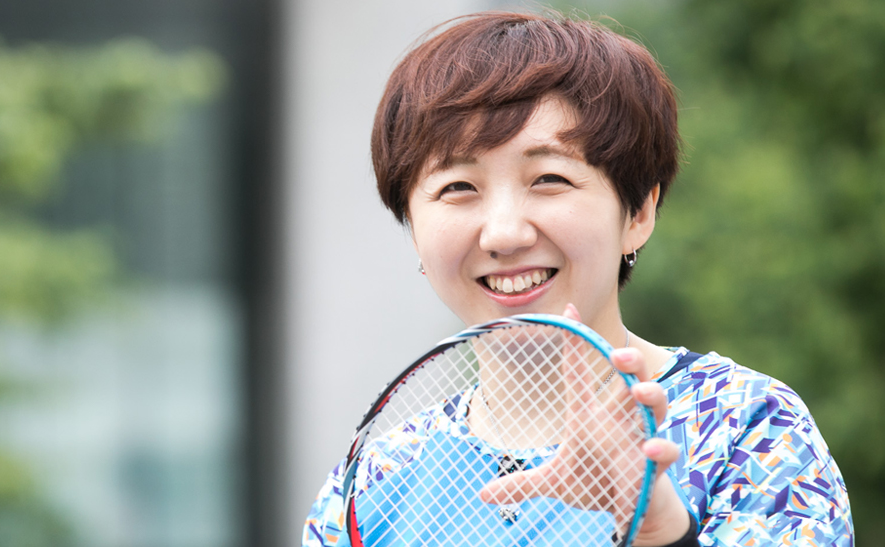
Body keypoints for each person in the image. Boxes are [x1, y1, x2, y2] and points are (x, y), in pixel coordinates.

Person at [302, 11, 853, 547]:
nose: (503, 233)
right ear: (414, 232)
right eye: (457, 188)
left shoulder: (746, 428)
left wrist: (663, 538)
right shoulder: (374, 481)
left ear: (637, 214)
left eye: (549, 178)